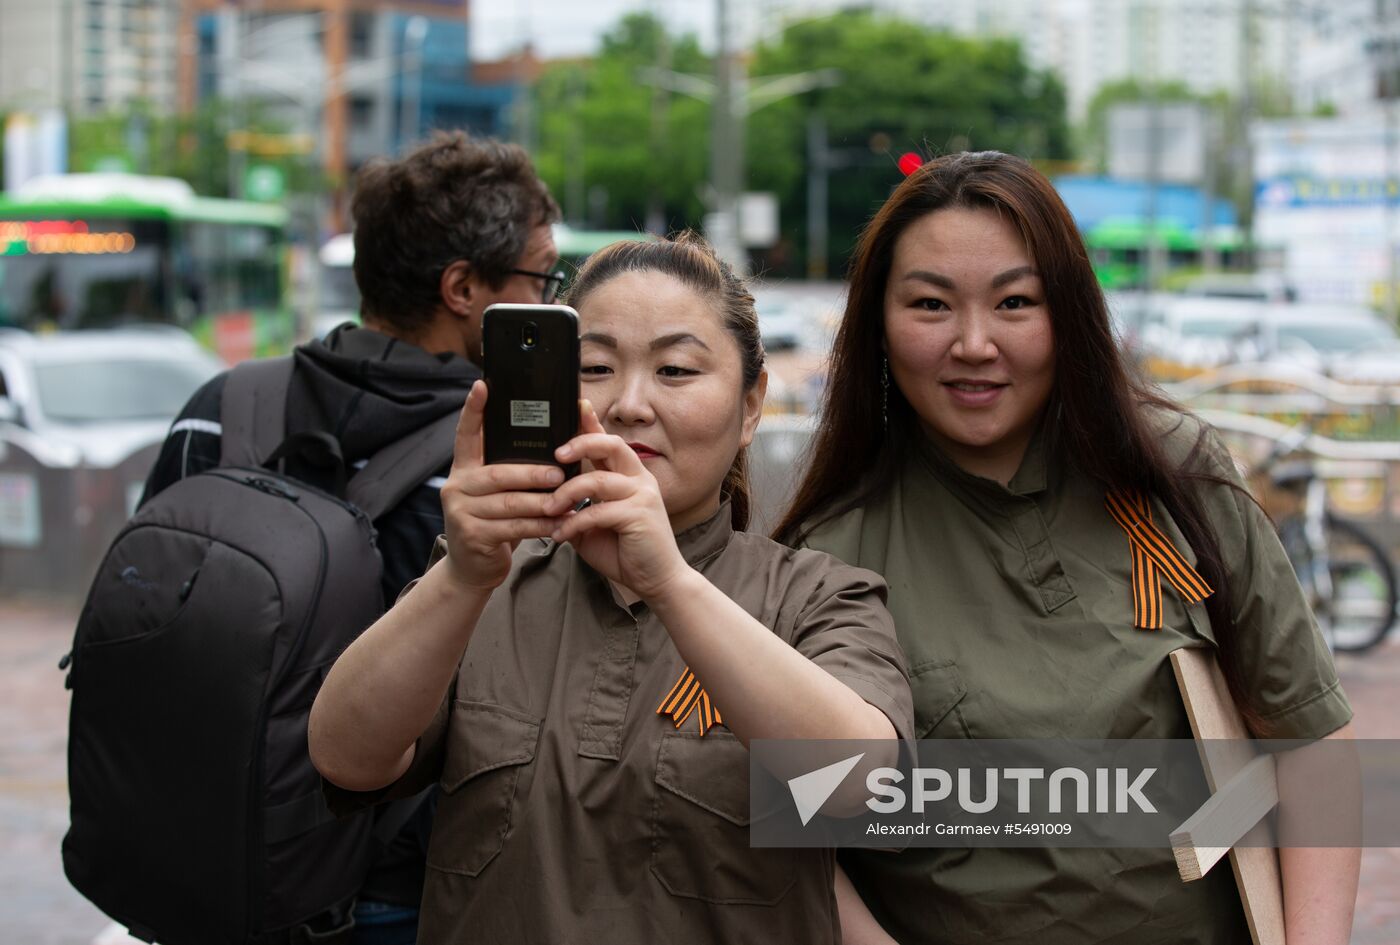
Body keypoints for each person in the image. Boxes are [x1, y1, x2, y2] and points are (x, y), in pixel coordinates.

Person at [773, 151, 1359, 945]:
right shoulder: (831, 552)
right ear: (877, 319)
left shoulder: (1171, 471)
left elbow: (1309, 739)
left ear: (1071, 313)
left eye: (1016, 301)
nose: (974, 343)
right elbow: (798, 831)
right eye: (930, 305)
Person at [308, 233, 915, 944]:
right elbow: (345, 756)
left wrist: (668, 580)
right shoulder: (487, 581)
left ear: (752, 405)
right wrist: (463, 575)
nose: (629, 403)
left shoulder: (816, 596)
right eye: (594, 366)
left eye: (677, 370)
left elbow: (864, 791)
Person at [139, 130, 561, 945]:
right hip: (402, 885)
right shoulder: (498, 464)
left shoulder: (222, 405)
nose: (548, 301)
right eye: (541, 278)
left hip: (210, 862)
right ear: (464, 288)